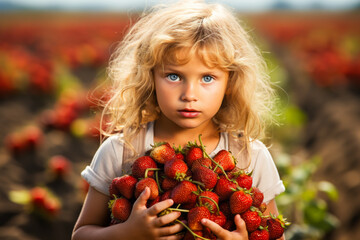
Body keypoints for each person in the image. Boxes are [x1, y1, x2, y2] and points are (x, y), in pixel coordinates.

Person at [72, 0, 285, 239]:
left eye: (207, 78)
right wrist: (128, 232)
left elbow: (274, 234)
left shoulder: (251, 157)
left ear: (230, 83)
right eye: (173, 76)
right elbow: (81, 234)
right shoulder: (120, 151)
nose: (189, 95)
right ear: (150, 77)